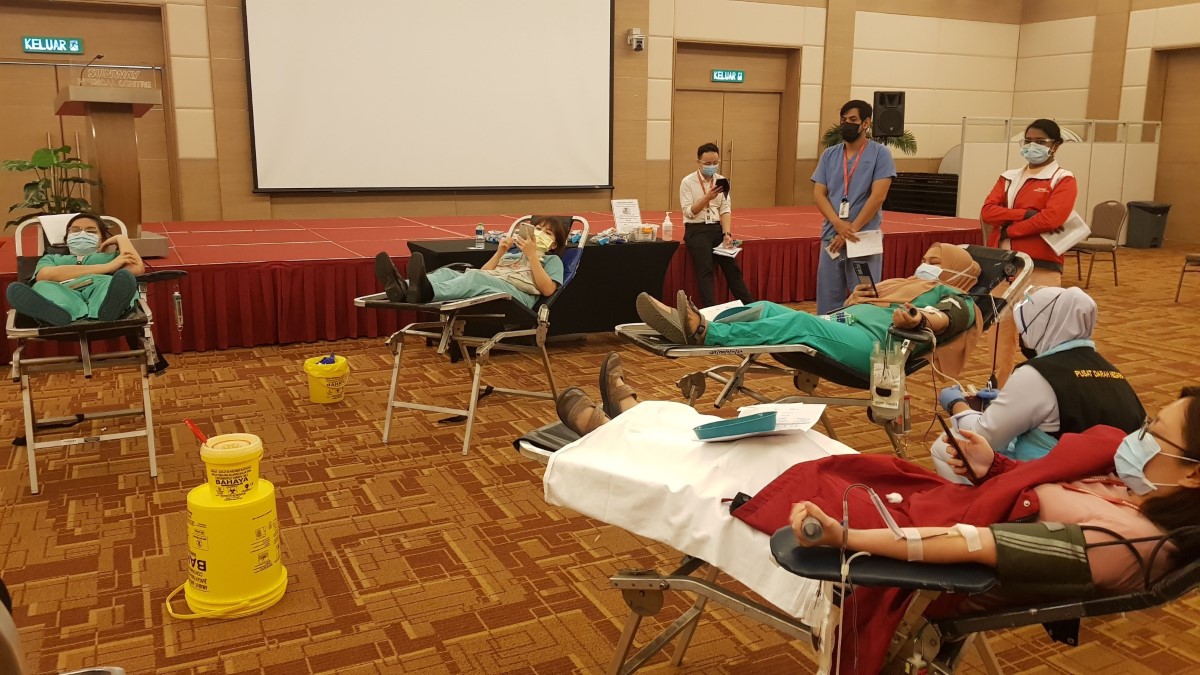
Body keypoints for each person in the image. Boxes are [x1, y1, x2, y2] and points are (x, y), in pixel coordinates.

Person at [727, 389, 1200, 674]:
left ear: (1192, 474)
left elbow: (972, 545)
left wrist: (846, 537)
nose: (1137, 435)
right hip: (953, 508)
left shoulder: (1122, 545)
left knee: (773, 473)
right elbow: (1040, 496)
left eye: (1154, 431)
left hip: (928, 541)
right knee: (797, 455)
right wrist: (994, 466)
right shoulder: (1137, 491)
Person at [634, 243, 981, 378]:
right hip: (845, 327)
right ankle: (696, 323)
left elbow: (948, 317)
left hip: (875, 349)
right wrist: (858, 297)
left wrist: (920, 318)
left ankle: (705, 333)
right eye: (924, 259)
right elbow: (862, 307)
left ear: (955, 271)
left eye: (934, 263)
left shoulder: (954, 295)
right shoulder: (901, 284)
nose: (924, 266)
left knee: (800, 322)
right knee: (767, 307)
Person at [931, 286, 1145, 483]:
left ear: (1041, 326)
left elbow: (983, 437)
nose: (1023, 337)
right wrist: (1006, 401)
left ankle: (979, 512)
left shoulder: (1038, 374)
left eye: (1024, 330)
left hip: (1055, 481)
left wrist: (957, 405)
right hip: (1113, 481)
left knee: (947, 445)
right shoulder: (1111, 371)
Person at [981, 118, 1078, 387]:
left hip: (1041, 268)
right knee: (1000, 330)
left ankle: (1044, 389)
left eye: (1040, 142)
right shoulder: (1009, 177)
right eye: (1028, 140)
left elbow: (1052, 218)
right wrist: (1024, 214)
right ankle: (996, 387)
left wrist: (1010, 230)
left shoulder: (1063, 179)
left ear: (1055, 146)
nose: (1032, 146)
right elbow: (988, 211)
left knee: (1040, 332)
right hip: (1003, 267)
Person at [375, 216, 569, 309]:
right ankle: (403, 287)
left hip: (519, 296)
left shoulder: (552, 260)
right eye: (538, 228)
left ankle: (426, 293)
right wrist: (501, 252)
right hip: (495, 284)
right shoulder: (513, 254)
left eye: (548, 233)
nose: (540, 233)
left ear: (554, 244)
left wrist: (533, 256)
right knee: (447, 273)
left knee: (473, 276)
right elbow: (486, 272)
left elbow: (547, 290)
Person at [813, 99, 897, 314]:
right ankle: (828, 339)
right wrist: (838, 225)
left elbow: (878, 196)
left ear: (866, 123)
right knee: (828, 296)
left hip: (864, 237)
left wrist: (850, 230)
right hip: (831, 237)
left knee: (865, 295)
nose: (846, 124)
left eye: (853, 120)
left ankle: (861, 340)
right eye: (843, 120)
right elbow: (819, 193)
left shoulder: (880, 154)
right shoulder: (829, 154)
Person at [5, 213, 143, 327]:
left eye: (91, 231)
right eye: (75, 230)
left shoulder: (111, 256)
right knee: (42, 285)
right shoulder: (52, 258)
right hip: (63, 290)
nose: (82, 234)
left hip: (99, 286)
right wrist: (108, 267)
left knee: (113, 283)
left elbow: (136, 269)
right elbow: (45, 275)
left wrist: (121, 238)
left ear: (102, 239)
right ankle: (58, 312)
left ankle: (108, 309)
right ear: (67, 238)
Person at [679, 142, 753, 307]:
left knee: (732, 268)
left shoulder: (722, 181)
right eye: (707, 163)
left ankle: (750, 305)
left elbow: (725, 209)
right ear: (698, 162)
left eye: (715, 163)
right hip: (696, 230)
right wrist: (707, 198)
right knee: (705, 270)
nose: (712, 166)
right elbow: (689, 212)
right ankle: (711, 310)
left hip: (718, 229)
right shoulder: (688, 182)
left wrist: (727, 234)